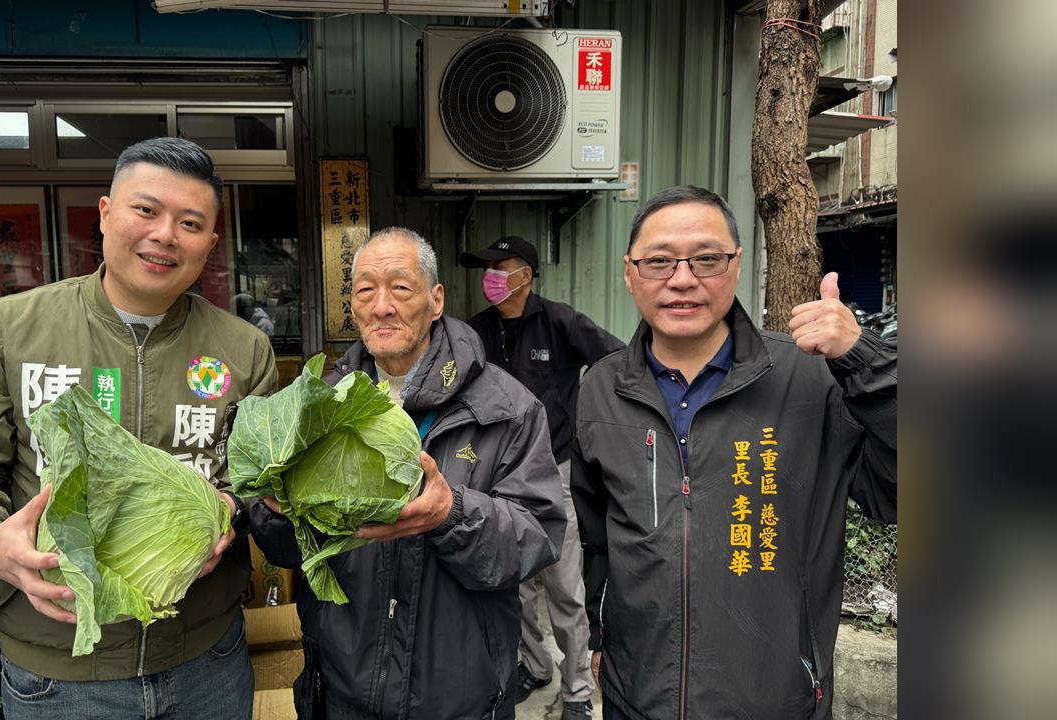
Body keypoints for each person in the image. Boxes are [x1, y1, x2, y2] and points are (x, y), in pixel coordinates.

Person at [0, 137, 279, 720]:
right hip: (59, 669)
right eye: (146, 210)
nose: (166, 234)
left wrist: (231, 506)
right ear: (105, 214)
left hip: (207, 659)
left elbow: (258, 478)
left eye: (190, 222)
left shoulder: (245, 350)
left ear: (211, 243)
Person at [571, 186, 897, 720]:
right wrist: (600, 630)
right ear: (630, 274)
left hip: (774, 696)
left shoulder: (811, 378)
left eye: (706, 259)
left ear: (737, 265)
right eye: (658, 262)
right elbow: (597, 536)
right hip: (638, 695)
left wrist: (864, 360)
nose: (682, 279)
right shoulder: (601, 388)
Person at [250, 227, 566, 719]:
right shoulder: (314, 404)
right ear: (352, 308)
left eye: (400, 287)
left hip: (458, 694)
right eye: (365, 291)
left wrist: (451, 513)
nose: (382, 306)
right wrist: (277, 511)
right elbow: (287, 552)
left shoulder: (506, 407)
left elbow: (536, 536)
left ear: (436, 299)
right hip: (341, 687)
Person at [459, 236, 624, 719]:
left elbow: (616, 360)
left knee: (564, 587)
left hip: (557, 471)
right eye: (485, 268)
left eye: (499, 267)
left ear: (525, 275)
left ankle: (576, 691)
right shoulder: (476, 331)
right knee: (519, 583)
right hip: (500, 475)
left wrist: (590, 426)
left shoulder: (560, 321)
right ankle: (536, 664)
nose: (490, 276)